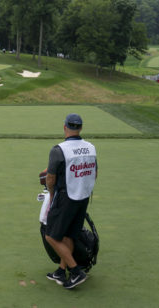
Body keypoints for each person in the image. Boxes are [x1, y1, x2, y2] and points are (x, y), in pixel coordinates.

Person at [44, 113, 97, 289]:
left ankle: (75, 271)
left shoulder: (59, 150)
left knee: (51, 235)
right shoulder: (90, 147)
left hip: (66, 197)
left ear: (65, 126)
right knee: (68, 235)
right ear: (80, 128)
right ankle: (61, 271)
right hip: (83, 197)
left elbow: (50, 178)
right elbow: (95, 173)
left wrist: (52, 195)